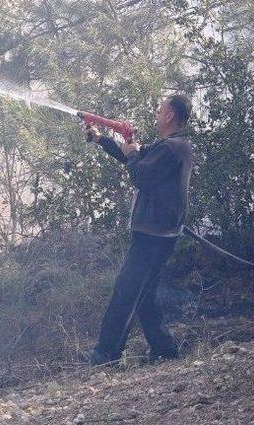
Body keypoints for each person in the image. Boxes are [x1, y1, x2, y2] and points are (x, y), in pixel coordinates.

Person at [82, 94, 194, 365]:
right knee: (144, 295)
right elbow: (136, 159)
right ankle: (165, 349)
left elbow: (140, 175)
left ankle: (105, 354)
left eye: (160, 110)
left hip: (152, 236)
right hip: (161, 233)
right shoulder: (172, 147)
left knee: (125, 290)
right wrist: (100, 139)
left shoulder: (171, 148)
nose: (156, 114)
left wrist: (133, 157)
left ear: (169, 116)